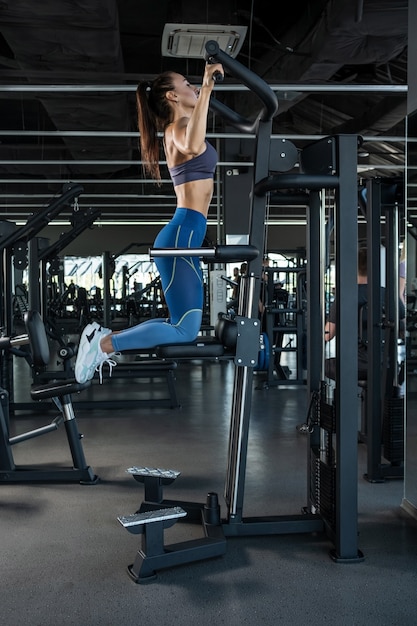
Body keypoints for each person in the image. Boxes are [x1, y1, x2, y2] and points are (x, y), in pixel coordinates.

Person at [74, 61, 224, 384]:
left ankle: (103, 337)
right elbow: (196, 144)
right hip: (183, 233)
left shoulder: (184, 125)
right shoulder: (175, 131)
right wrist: (208, 87)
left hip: (187, 235)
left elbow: (197, 139)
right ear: (172, 95)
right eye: (187, 83)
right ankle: (104, 344)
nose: (193, 87)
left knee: (180, 324)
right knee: (185, 330)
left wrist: (205, 92)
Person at [324, 246, 405, 381]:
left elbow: (328, 335)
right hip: (386, 365)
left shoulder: (345, 296)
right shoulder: (388, 295)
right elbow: (401, 329)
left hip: (352, 366)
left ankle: (342, 400)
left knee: (324, 365)